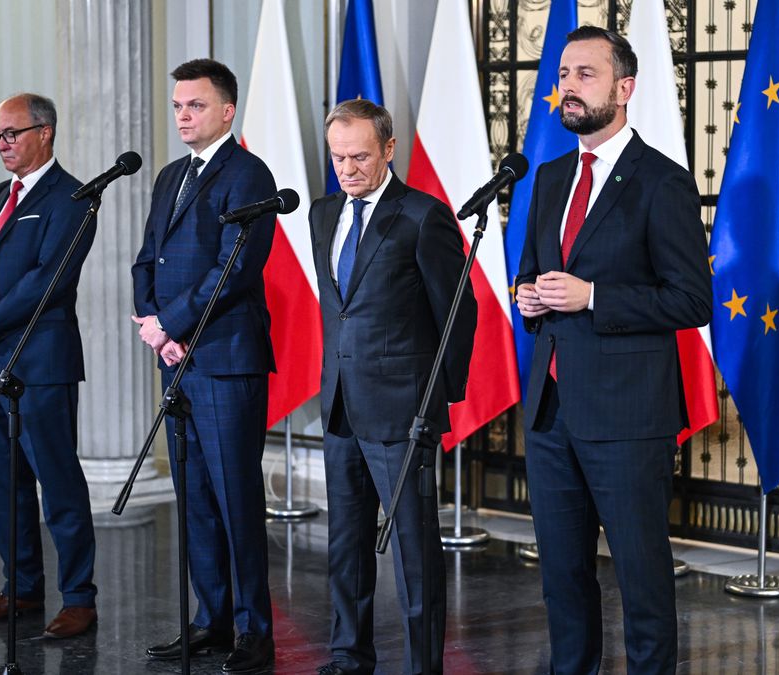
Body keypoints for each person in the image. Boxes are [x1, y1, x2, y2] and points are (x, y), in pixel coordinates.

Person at [514, 27, 712, 674]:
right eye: (563, 74)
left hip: (627, 417)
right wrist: (529, 296)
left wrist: (594, 296)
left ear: (624, 89)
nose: (568, 86)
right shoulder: (548, 177)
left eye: (585, 74)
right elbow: (533, 271)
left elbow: (691, 301)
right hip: (551, 411)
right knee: (562, 576)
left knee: (641, 577)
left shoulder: (661, 181)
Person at [309, 99, 477, 675]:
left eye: (359, 156)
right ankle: (348, 656)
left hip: (404, 411)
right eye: (338, 157)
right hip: (340, 404)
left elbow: (458, 312)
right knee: (345, 542)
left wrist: (436, 401)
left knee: (414, 550)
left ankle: (422, 665)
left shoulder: (423, 216)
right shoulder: (322, 213)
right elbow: (341, 309)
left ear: (388, 149)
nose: (347, 169)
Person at [131, 58, 277, 673]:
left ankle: (254, 630)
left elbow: (235, 267)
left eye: (195, 105)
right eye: (177, 106)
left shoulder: (249, 174)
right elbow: (148, 258)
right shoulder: (171, 175)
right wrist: (153, 324)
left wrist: (171, 324)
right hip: (176, 358)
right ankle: (210, 619)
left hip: (224, 359)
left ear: (227, 110)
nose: (183, 116)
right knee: (194, 496)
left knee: (235, 496)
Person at [0, 93, 99, 639]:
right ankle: (21, 588)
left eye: (11, 133)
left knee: (57, 483)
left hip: (39, 363)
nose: (2, 144)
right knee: (4, 485)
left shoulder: (73, 197)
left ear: (45, 132)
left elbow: (48, 278)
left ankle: (79, 598)